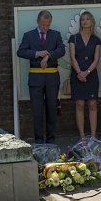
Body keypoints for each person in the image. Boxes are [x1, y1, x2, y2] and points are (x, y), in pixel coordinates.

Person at [17, 10, 65, 143]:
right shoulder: (29, 35)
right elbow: (20, 52)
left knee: (51, 109)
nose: (45, 28)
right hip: (36, 78)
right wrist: (37, 54)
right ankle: (38, 141)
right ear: (38, 21)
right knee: (37, 111)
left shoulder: (55, 35)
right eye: (43, 24)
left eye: (48, 25)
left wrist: (49, 55)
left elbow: (61, 50)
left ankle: (50, 140)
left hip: (51, 78)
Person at [69, 11, 101, 139]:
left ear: (92, 21)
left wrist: (87, 72)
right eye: (83, 19)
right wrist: (79, 73)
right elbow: (72, 57)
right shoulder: (74, 38)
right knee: (80, 105)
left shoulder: (96, 40)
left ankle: (93, 136)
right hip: (77, 76)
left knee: (93, 105)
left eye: (87, 19)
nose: (85, 21)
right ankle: (82, 136)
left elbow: (96, 59)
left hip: (91, 75)